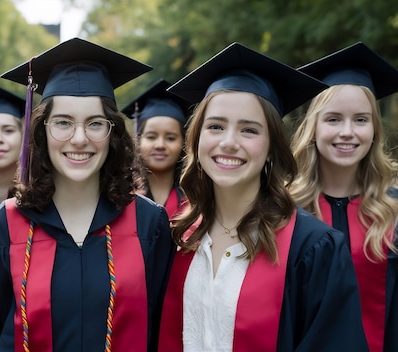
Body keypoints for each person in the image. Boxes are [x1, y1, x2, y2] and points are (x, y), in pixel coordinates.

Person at [158, 42, 369, 351]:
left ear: (271, 148)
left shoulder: (313, 249)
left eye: (249, 130)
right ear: (197, 139)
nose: (229, 142)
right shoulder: (175, 238)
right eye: (215, 126)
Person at [0, 38, 176, 352]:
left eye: (95, 123)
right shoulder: (0, 226)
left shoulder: (149, 223)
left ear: (113, 134)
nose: (79, 138)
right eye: (63, 123)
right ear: (41, 130)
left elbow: (158, 331)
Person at [291, 42, 398, 352]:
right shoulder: (283, 209)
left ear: (375, 130)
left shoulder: (393, 209)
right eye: (333, 119)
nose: (348, 131)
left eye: (361, 120)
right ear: (313, 127)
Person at [122, 79, 189, 218]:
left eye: (170, 138)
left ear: (183, 143)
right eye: (151, 137)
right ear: (138, 141)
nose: (160, 145)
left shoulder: (196, 197)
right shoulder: (122, 193)